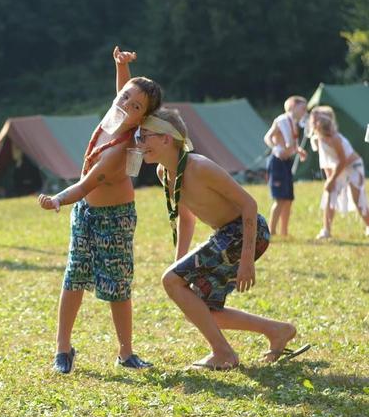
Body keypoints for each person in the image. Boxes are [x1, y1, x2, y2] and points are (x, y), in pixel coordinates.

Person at [137, 107, 310, 369]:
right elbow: (186, 216)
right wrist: (179, 260)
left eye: (145, 136)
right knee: (202, 309)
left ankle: (223, 354)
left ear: (166, 138)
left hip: (246, 231)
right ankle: (277, 330)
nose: (139, 143)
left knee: (172, 283)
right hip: (228, 235)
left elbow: (249, 205)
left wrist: (246, 261)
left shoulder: (199, 167)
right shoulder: (164, 173)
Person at [38, 46, 162, 374]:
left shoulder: (121, 149)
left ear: (142, 118)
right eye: (124, 98)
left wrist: (56, 200)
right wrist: (121, 67)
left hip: (114, 218)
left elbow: (83, 186)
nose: (125, 105)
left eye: (135, 106)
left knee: (117, 286)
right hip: (85, 214)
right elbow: (122, 95)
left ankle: (126, 352)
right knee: (73, 277)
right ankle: (63, 349)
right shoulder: (114, 117)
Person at [308, 106, 369, 239]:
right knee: (330, 195)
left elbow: (343, 160)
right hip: (338, 167)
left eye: (316, 119)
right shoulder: (317, 138)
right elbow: (325, 160)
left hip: (353, 166)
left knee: (358, 198)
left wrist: (332, 179)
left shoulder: (335, 138)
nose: (313, 122)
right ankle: (326, 230)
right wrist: (330, 179)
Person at [263, 96, 309, 236]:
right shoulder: (282, 120)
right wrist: (277, 149)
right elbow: (267, 137)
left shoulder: (293, 123)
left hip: (286, 162)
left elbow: (291, 144)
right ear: (292, 106)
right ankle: (271, 232)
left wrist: (298, 150)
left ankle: (284, 232)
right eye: (302, 108)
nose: (304, 111)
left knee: (288, 199)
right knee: (280, 198)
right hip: (277, 162)